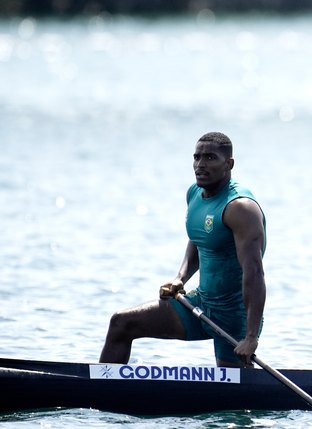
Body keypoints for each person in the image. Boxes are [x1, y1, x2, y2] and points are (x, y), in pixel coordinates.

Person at [99, 131, 267, 368]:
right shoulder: (195, 194)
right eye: (197, 157)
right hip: (201, 304)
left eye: (210, 158)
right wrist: (180, 278)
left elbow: (254, 274)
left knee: (235, 396)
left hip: (234, 318)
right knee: (121, 323)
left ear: (229, 164)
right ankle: (102, 391)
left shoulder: (241, 209)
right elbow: (200, 238)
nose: (200, 165)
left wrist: (251, 337)